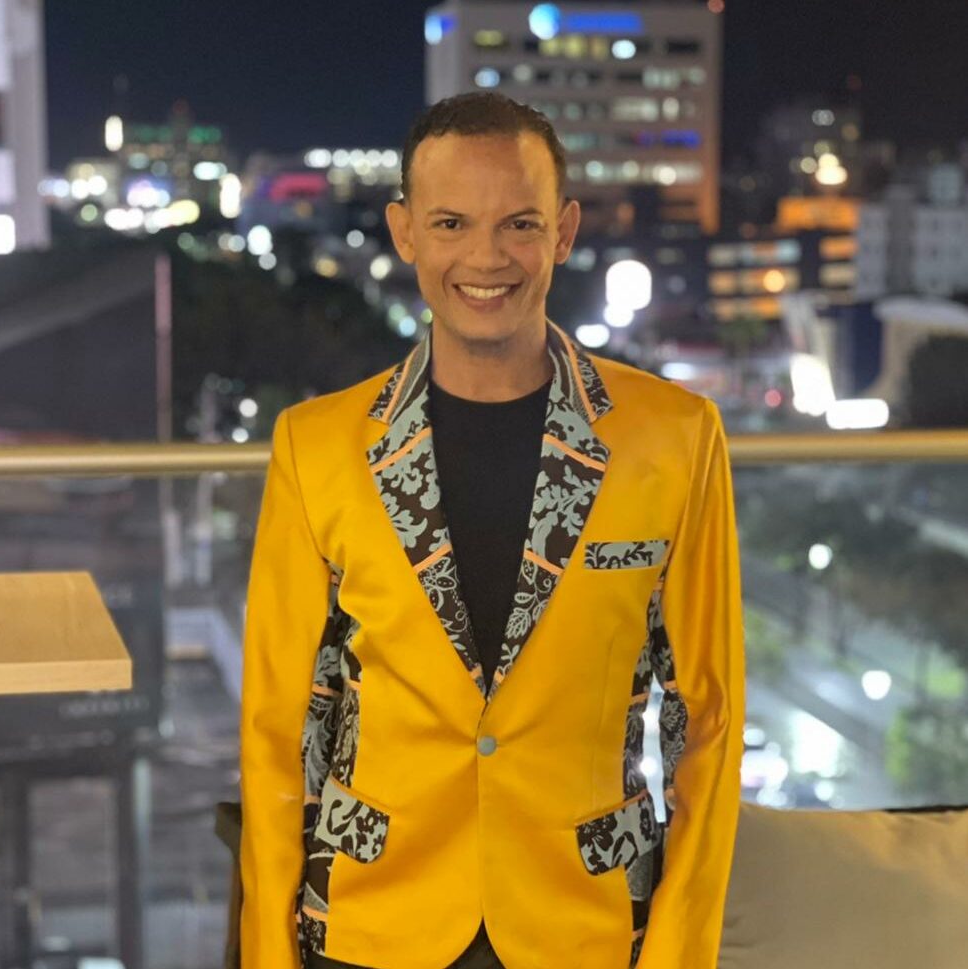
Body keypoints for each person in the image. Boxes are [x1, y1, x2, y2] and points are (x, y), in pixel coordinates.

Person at [240, 91, 745, 969]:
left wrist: (678, 950)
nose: (485, 257)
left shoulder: (675, 436)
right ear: (403, 231)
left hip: (587, 925)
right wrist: (267, 953)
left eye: (519, 223)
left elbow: (707, 721)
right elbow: (278, 726)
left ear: (564, 231)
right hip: (369, 924)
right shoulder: (314, 445)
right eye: (450, 223)